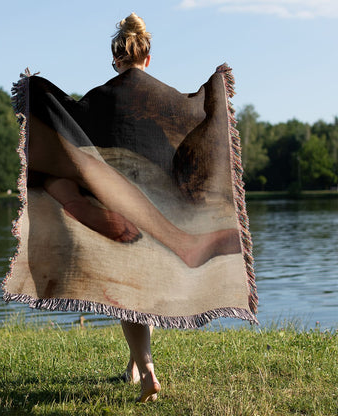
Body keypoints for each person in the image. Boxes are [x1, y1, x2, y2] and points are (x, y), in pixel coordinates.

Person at [28, 12, 241, 402]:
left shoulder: (98, 99)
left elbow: (68, 128)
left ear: (117, 59)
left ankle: (147, 372)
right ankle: (132, 365)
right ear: (147, 58)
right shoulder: (167, 98)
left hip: (118, 201)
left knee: (130, 295)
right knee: (143, 283)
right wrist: (213, 90)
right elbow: (191, 121)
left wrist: (35, 93)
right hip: (163, 202)